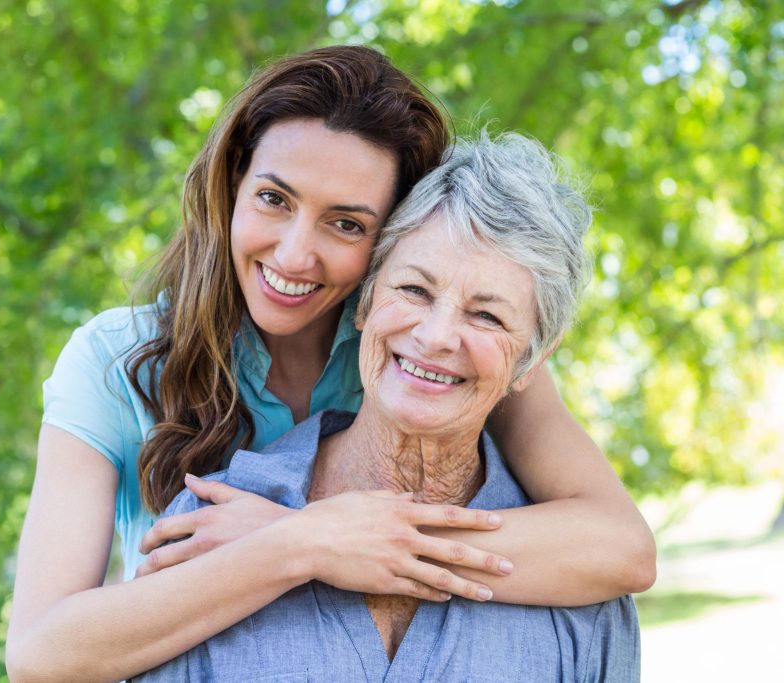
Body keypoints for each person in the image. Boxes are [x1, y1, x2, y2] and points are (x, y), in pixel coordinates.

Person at [6, 46, 654, 683]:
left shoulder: (424, 351)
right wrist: (303, 543)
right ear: (232, 187)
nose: (294, 255)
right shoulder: (113, 360)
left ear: (389, 239)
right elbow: (39, 654)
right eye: (273, 199)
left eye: (346, 224)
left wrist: (353, 541)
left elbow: (620, 546)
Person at [136, 131, 641, 681]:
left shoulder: (583, 582)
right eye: (415, 291)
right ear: (366, 302)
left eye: (487, 316)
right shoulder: (212, 527)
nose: (435, 336)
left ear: (533, 357)